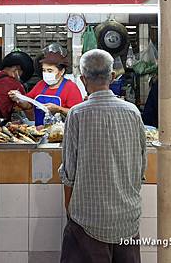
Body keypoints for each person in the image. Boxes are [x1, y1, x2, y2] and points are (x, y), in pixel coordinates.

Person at [59, 49, 147, 263]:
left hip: (87, 220)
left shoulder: (77, 113)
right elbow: (141, 167)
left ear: (82, 79)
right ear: (113, 76)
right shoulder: (132, 112)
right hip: (127, 219)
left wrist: (71, 212)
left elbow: (69, 172)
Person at [9, 51, 83, 126]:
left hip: (60, 134)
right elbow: (28, 105)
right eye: (44, 70)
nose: (46, 73)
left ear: (61, 71)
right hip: (39, 132)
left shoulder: (71, 87)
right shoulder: (41, 84)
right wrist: (18, 98)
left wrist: (59, 109)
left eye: (50, 70)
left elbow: (78, 114)